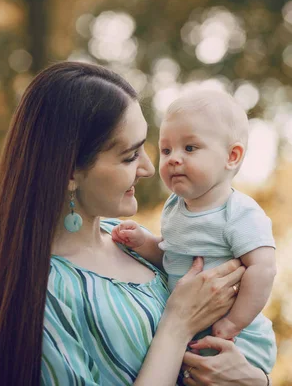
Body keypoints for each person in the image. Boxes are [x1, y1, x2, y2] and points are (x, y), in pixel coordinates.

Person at [0, 62, 273, 386]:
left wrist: (256, 381)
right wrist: (177, 325)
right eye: (129, 156)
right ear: (70, 172)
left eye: (144, 148)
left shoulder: (127, 240)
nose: (149, 168)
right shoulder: (46, 294)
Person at [111, 90, 277, 374]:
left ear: (232, 156)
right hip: (193, 336)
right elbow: (171, 257)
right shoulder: (175, 207)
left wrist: (234, 322)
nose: (173, 159)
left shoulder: (239, 212)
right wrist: (143, 242)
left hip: (239, 341)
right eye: (166, 150)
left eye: (189, 148)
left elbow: (263, 270)